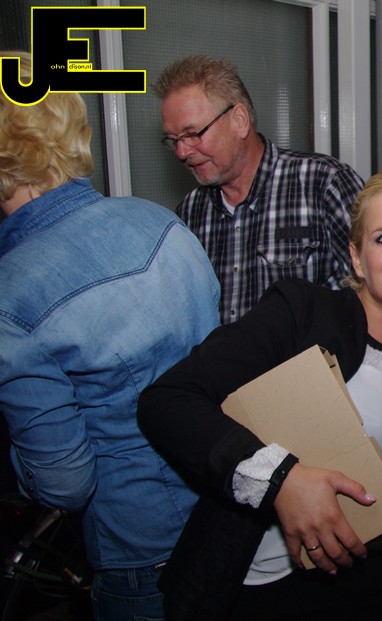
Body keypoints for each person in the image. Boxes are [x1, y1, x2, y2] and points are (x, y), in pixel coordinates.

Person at [137, 164, 382, 621]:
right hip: (273, 591)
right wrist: (279, 479)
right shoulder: (302, 314)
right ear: (357, 258)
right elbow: (167, 401)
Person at [0, 51, 220, 621]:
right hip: (229, 518)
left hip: (143, 554)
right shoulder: (162, 221)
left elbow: (64, 483)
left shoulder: (11, 294)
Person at [155, 54, 364, 324]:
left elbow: (373, 290)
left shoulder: (324, 184)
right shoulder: (190, 212)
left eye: (192, 134)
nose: (182, 152)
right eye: (173, 140)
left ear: (240, 120)